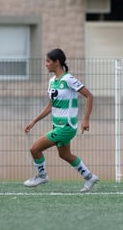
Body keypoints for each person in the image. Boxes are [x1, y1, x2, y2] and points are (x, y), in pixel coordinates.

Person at [23, 48, 98, 192]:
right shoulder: (52, 81)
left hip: (66, 127)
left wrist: (86, 119)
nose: (46, 64)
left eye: (48, 61)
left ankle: (42, 175)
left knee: (35, 148)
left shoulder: (68, 79)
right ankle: (89, 177)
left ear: (57, 63)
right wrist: (34, 121)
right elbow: (50, 106)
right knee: (65, 155)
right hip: (57, 126)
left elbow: (89, 96)